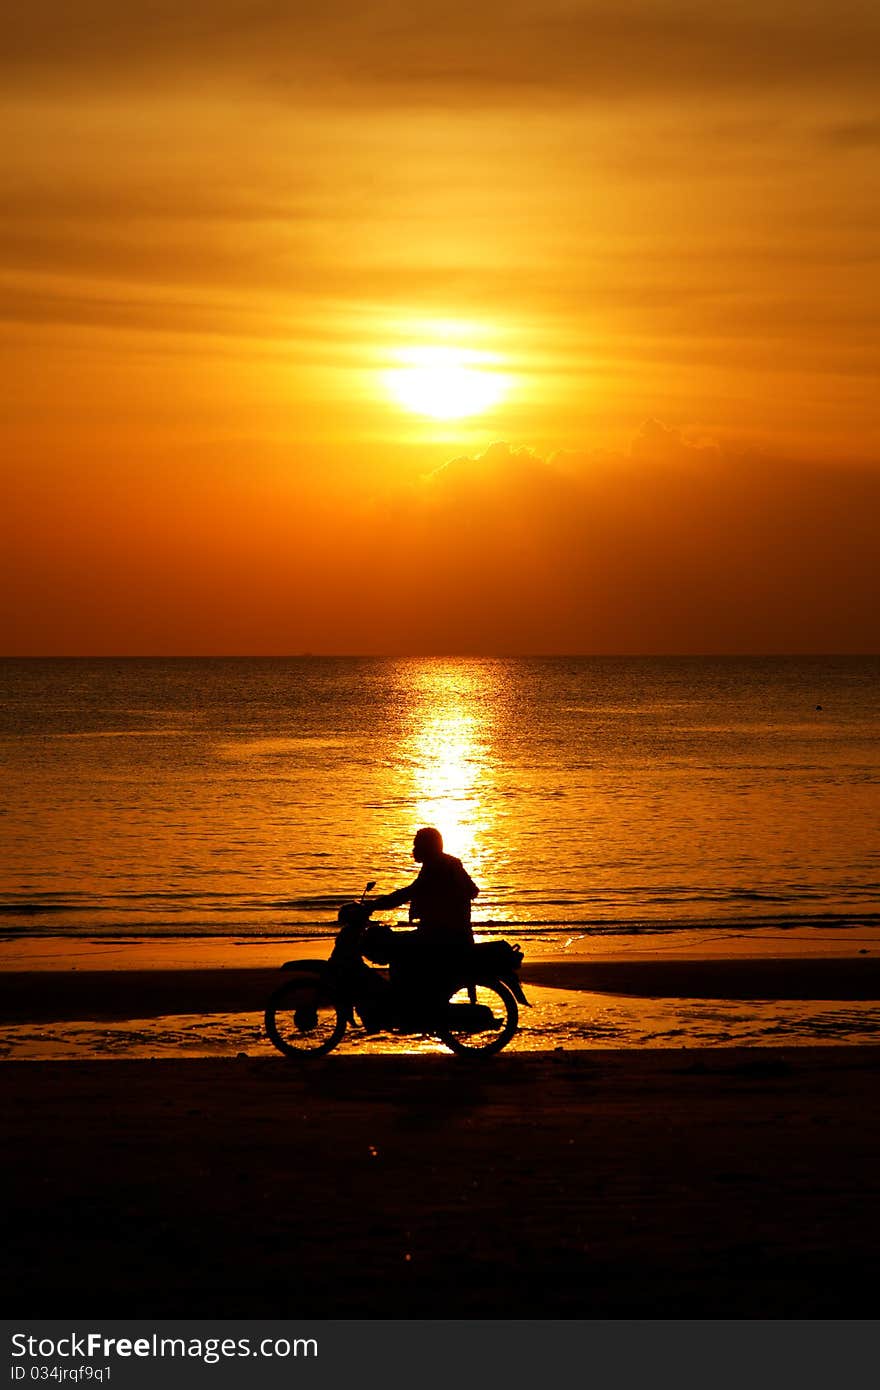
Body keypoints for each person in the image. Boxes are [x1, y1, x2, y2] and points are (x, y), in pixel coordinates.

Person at [370, 826, 479, 949]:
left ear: (428, 847)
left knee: (389, 943)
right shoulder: (448, 863)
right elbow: (473, 890)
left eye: (417, 846)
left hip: (440, 937)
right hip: (454, 935)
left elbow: (407, 893)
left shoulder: (436, 867)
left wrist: (374, 905)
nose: (414, 850)